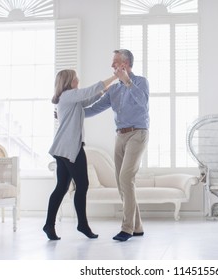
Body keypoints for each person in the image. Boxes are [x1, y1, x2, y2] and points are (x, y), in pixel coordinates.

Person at [43, 69, 117, 240]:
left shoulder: (70, 99)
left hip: (64, 148)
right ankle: (82, 224)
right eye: (76, 77)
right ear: (69, 81)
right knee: (82, 185)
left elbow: (88, 99)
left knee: (61, 188)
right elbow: (88, 92)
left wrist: (103, 92)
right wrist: (114, 77)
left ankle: (49, 225)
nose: (78, 79)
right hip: (70, 149)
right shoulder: (68, 95)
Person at [85, 49, 149, 242]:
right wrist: (71, 112)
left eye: (115, 62)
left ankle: (127, 228)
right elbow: (94, 109)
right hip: (120, 136)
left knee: (125, 177)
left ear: (126, 64)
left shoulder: (140, 82)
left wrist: (128, 81)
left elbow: (143, 102)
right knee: (122, 181)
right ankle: (137, 227)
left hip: (138, 133)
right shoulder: (113, 89)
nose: (112, 66)